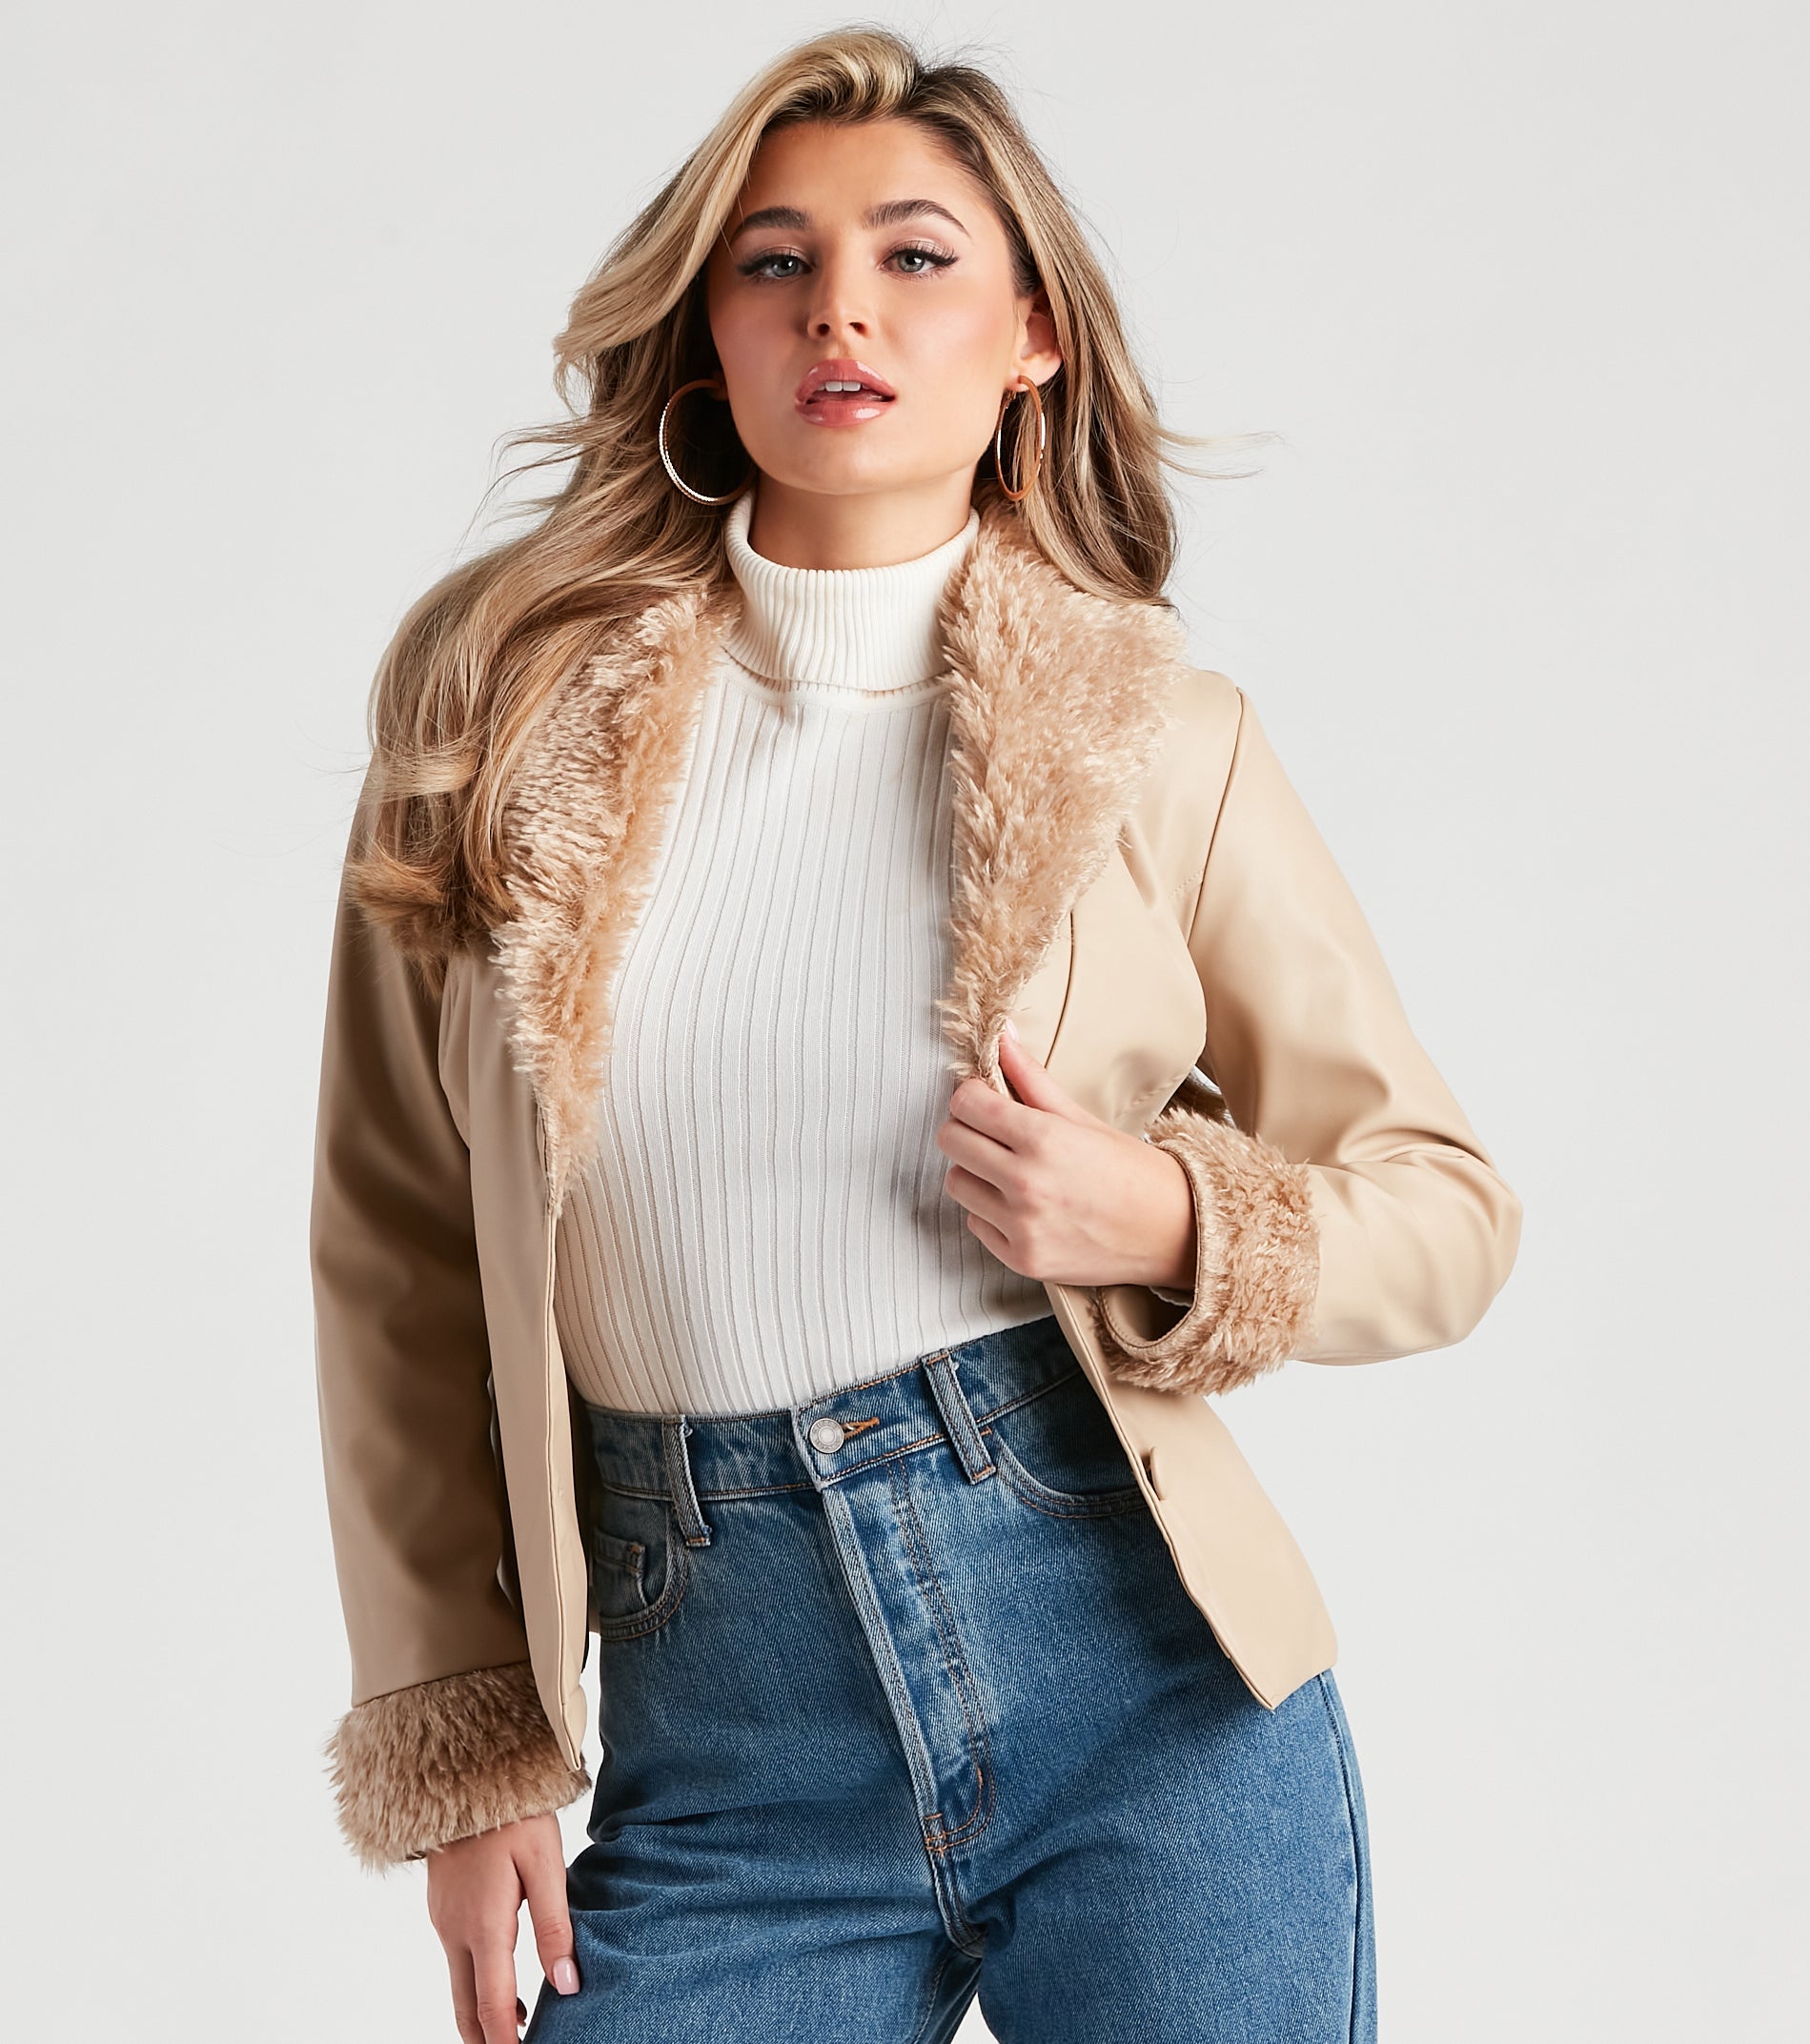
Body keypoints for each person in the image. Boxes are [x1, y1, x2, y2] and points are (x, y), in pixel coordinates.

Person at [308, 27, 1520, 2044]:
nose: (839, 309)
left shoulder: (1159, 741)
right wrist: (469, 1738)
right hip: (723, 1733)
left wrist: (1169, 1217)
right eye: (774, 261)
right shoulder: (499, 725)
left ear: (1032, 336)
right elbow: (395, 1254)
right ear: (706, 331)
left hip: (1142, 1694)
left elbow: (1446, 1208)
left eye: (915, 255)